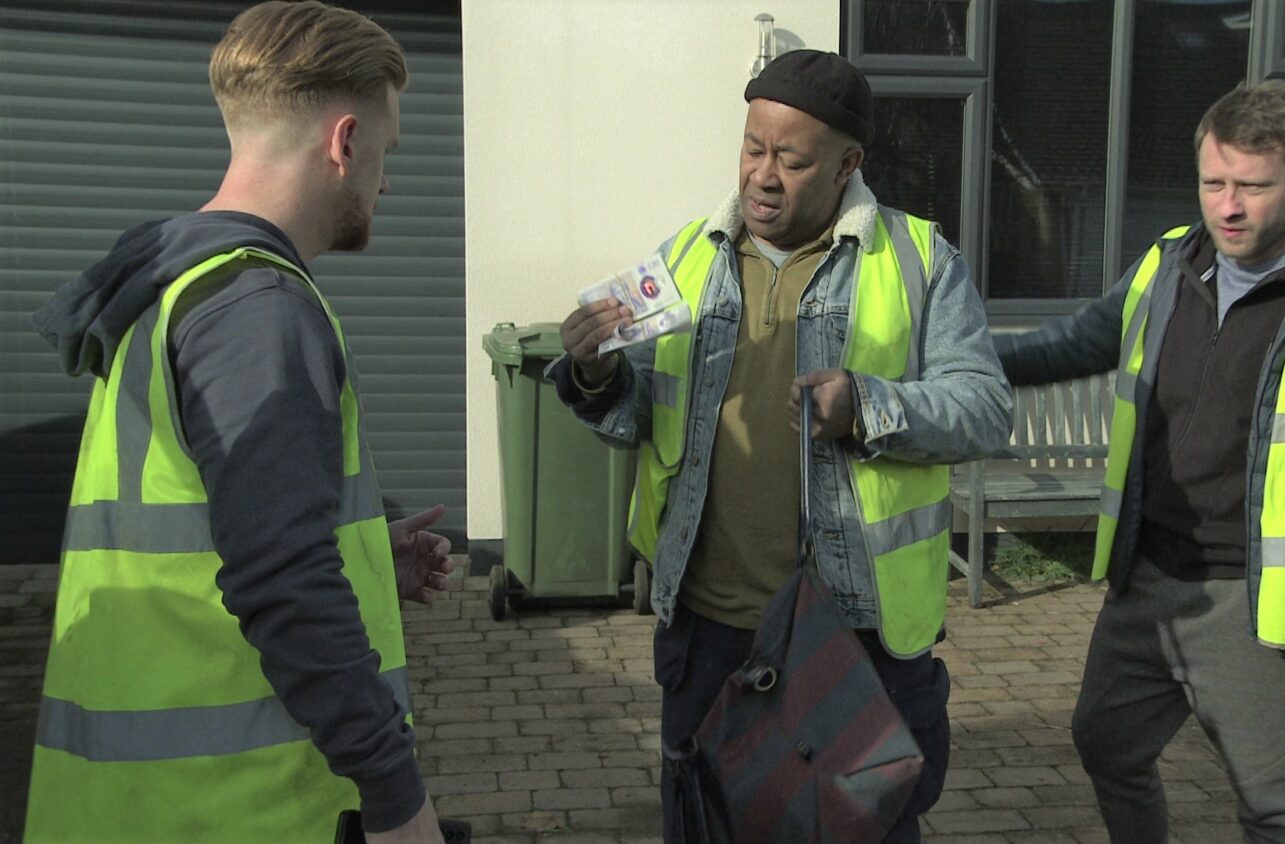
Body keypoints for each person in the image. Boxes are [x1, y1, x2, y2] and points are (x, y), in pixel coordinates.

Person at [552, 50, 1012, 842]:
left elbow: (984, 408)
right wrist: (593, 376)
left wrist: (867, 405)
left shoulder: (918, 260)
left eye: (792, 160)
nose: (763, 175)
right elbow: (639, 416)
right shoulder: (688, 259)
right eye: (752, 149)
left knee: (856, 825)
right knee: (703, 822)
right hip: (706, 624)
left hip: (853, 630)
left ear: (847, 165)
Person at [25, 3, 454, 842]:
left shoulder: (175, 288)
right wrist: (397, 797)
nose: (385, 182)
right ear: (343, 142)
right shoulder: (258, 311)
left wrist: (359, 553)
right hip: (234, 810)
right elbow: (283, 582)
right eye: (385, 152)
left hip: (130, 807)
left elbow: (219, 527)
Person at [995, 81, 1285, 843]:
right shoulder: (1168, 263)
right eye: (1213, 183)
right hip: (1148, 575)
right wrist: (967, 367)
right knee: (1105, 744)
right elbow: (1077, 344)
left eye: (1253, 187)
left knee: (1273, 808)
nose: (1228, 207)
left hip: (1252, 601)